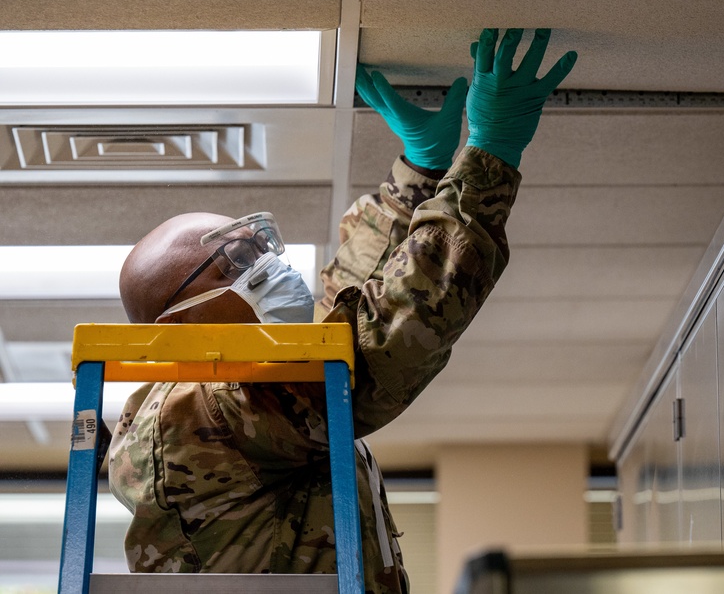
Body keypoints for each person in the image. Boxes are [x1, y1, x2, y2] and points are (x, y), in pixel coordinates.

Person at [108, 29, 577, 593]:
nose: (267, 263)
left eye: (260, 244)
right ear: (181, 323)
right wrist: (488, 159)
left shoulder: (223, 396)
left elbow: (334, 329)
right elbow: (374, 350)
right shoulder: (197, 415)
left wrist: (417, 176)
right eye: (235, 257)